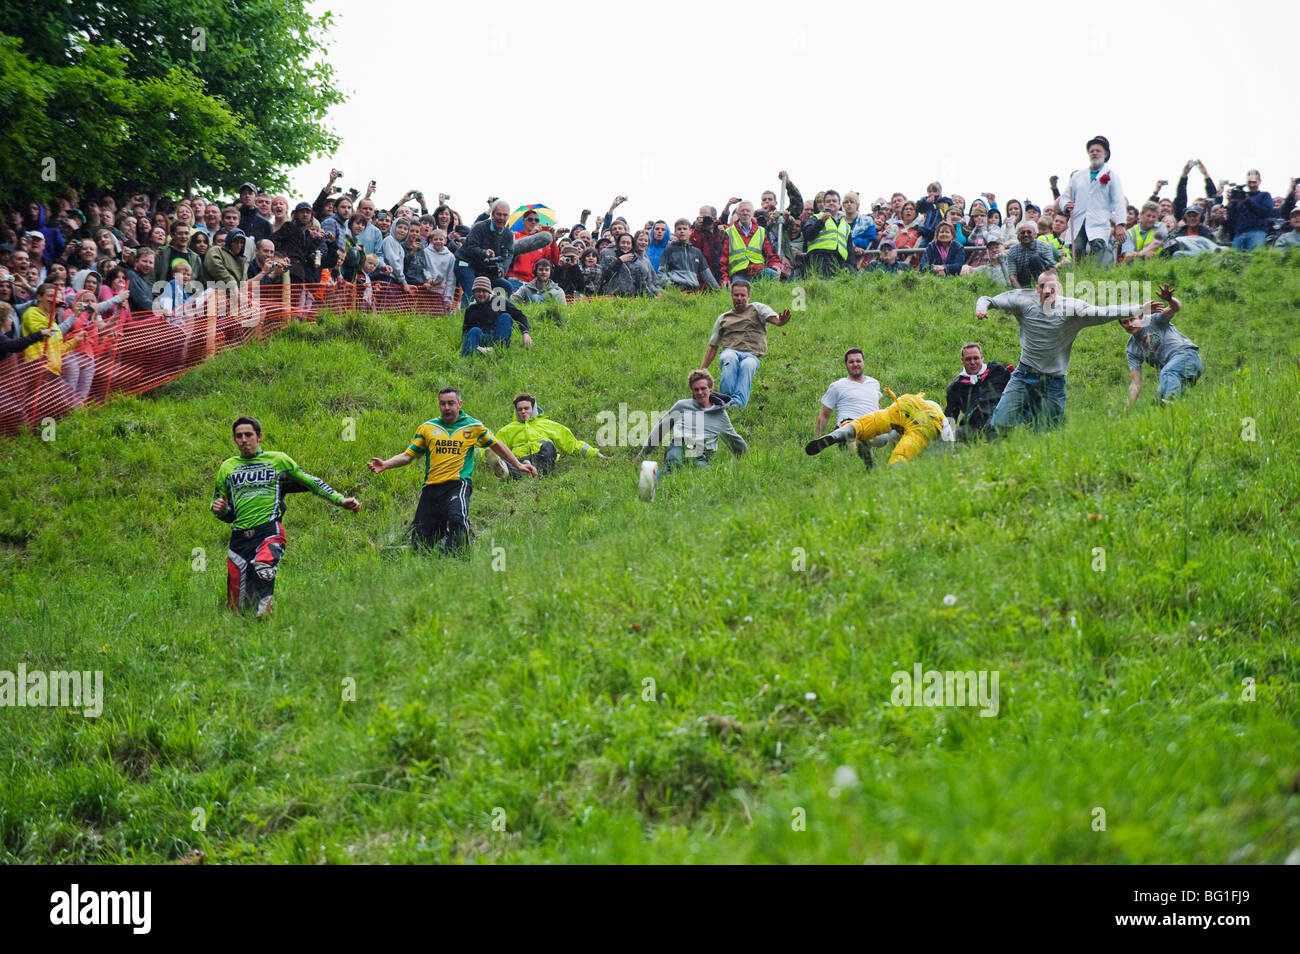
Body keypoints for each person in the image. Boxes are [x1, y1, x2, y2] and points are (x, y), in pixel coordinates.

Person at [975, 269, 1164, 431]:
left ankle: (1034, 424)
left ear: (1059, 289)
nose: (1047, 291)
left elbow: (1104, 312)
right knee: (999, 423)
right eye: (1042, 286)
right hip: (1024, 375)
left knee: (1048, 432)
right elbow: (988, 299)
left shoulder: (1072, 308)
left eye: (1052, 287)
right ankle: (1024, 419)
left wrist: (1139, 309)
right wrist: (981, 308)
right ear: (1036, 288)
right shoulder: (1023, 300)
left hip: (1053, 380)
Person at [212, 415, 360, 615]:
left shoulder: (278, 460)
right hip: (239, 537)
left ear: (259, 436)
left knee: (263, 567)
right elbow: (225, 512)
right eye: (239, 436)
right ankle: (244, 629)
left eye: (248, 434)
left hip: (268, 531)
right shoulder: (227, 468)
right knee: (235, 604)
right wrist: (220, 511)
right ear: (234, 439)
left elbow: (311, 481)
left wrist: (340, 500)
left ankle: (263, 618)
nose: (244, 439)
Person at [367, 387, 537, 553]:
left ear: (459, 404)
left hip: (458, 484)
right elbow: (408, 455)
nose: (446, 408)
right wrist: (385, 464)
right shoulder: (427, 428)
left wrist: (518, 465)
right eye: (442, 404)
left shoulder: (473, 426)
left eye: (451, 403)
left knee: (457, 517)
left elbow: (496, 444)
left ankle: (460, 555)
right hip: (431, 488)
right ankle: (439, 547)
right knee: (421, 544)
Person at [699, 279, 791, 409]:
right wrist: (702, 371)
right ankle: (725, 400)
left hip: (751, 355)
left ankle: (737, 404)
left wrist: (780, 322)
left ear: (749, 296)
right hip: (730, 351)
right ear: (731, 296)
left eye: (743, 295)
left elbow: (774, 319)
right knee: (729, 358)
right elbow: (713, 346)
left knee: (747, 365)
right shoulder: (723, 318)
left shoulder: (757, 308)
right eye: (736, 295)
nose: (739, 298)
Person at [635, 369, 747, 473]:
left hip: (702, 452)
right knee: (674, 462)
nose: (700, 392)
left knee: (701, 472)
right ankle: (660, 482)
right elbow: (661, 428)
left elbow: (735, 440)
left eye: (703, 388)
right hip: (680, 445)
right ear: (692, 391)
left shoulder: (720, 415)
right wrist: (643, 453)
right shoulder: (682, 406)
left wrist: (748, 461)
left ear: (710, 389)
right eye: (696, 389)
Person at [805, 388, 946, 465]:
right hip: (926, 424)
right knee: (901, 455)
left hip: (903, 404)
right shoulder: (942, 422)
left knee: (862, 426)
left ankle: (840, 434)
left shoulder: (917, 406)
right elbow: (944, 451)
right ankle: (893, 474)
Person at [487, 392, 606, 478]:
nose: (523, 411)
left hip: (542, 457)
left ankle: (515, 472)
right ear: (516, 411)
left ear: (533, 409)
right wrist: (484, 455)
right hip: (520, 461)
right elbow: (492, 447)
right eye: (520, 409)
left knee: (548, 446)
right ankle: (517, 470)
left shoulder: (548, 425)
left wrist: (594, 452)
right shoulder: (507, 430)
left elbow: (571, 444)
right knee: (507, 461)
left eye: (526, 408)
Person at [812, 347, 892, 467]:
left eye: (858, 361)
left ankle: (865, 450)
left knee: (884, 437)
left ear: (863, 363)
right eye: (851, 362)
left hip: (870, 424)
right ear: (846, 365)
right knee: (852, 434)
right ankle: (853, 451)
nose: (855, 364)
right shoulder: (837, 386)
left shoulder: (874, 383)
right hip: (848, 423)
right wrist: (816, 441)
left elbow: (876, 405)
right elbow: (824, 415)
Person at [1121, 285, 1201, 404]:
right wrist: (1126, 409)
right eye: (1125, 322)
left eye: (1132, 319)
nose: (1130, 324)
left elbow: (1175, 308)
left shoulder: (1154, 320)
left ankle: (1170, 403)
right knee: (1158, 401)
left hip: (1187, 356)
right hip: (1174, 374)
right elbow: (1135, 383)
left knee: (1167, 374)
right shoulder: (1132, 348)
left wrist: (1170, 299)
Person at [1059, 134, 1125, 266]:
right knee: (1077, 251)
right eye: (1091, 151)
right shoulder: (1078, 176)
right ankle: (1080, 278)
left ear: (1105, 154)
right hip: (1079, 220)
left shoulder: (1112, 176)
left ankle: (1098, 278)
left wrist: (1120, 224)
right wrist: (1066, 205)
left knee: (1098, 248)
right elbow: (1065, 196)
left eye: (1098, 151)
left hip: (1098, 221)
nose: (1094, 153)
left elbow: (1119, 202)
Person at [944, 342, 1012, 440]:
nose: (972, 362)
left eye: (976, 358)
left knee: (995, 427)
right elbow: (950, 416)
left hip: (998, 417)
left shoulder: (998, 371)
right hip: (972, 426)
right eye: (968, 359)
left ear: (982, 357)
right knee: (956, 435)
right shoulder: (956, 386)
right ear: (962, 360)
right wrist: (946, 435)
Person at [461, 276, 533, 356]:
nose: (481, 294)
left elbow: (519, 316)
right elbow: (465, 333)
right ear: (473, 292)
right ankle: (473, 353)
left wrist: (525, 333)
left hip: (497, 336)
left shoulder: (498, 302)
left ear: (489, 292)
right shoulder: (471, 309)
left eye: (484, 291)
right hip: (481, 338)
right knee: (474, 330)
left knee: (505, 317)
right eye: (478, 291)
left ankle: (498, 350)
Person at [719, 201, 780, 285]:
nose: (745, 213)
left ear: (752, 213)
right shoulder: (729, 232)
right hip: (739, 273)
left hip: (759, 270)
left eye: (748, 211)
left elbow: (770, 253)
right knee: (739, 291)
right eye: (742, 211)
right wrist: (725, 278)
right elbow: (723, 259)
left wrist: (775, 264)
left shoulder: (761, 231)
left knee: (775, 276)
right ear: (737, 214)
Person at [801, 190, 852, 276]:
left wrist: (851, 267)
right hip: (819, 259)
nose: (831, 203)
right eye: (828, 201)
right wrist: (820, 222)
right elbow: (807, 235)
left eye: (834, 201)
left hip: (840, 261)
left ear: (839, 205)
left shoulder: (846, 225)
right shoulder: (815, 218)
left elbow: (850, 250)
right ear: (824, 205)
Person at [1226, 170, 1273, 251]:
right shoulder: (1240, 197)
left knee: (1254, 259)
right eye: (1249, 182)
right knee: (1235, 261)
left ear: (1259, 181)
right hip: (1239, 234)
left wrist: (1248, 202)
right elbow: (1231, 219)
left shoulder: (1265, 195)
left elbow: (1266, 213)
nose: (1252, 185)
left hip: (1257, 232)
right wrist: (1231, 203)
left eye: (1254, 182)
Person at [1005, 220, 1056, 288]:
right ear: (1018, 236)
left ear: (1035, 234)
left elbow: (1052, 269)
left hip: (1043, 280)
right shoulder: (1012, 252)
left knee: (1035, 258)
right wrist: (1020, 293)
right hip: (1022, 281)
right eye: (1022, 233)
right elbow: (1012, 276)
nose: (1026, 235)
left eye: (1029, 232)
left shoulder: (1044, 246)